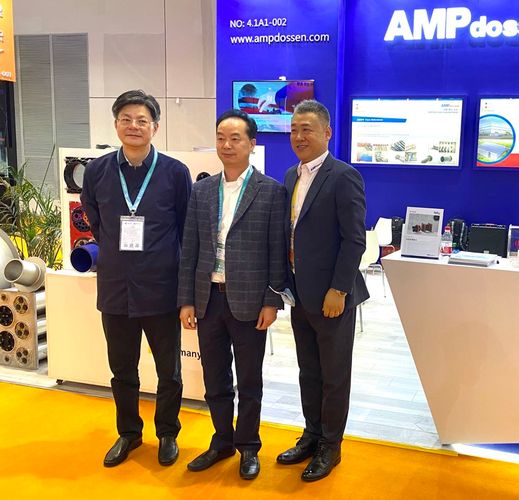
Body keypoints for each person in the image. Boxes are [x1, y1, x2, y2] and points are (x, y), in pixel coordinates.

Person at [81, 89, 192, 467]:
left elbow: (185, 228)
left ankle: (167, 433)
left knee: (169, 371)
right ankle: (129, 433)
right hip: (115, 288)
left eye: (142, 120)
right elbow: (96, 221)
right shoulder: (96, 171)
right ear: (116, 124)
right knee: (122, 369)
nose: (134, 126)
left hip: (162, 288)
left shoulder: (175, 173)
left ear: (155, 127)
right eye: (126, 119)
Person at [178, 109, 287, 480]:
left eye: (235, 138)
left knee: (250, 380)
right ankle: (222, 440)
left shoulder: (271, 191)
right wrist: (187, 299)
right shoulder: (202, 190)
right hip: (208, 299)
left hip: (250, 301)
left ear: (252, 144)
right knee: (215, 378)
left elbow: (277, 251)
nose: (226, 145)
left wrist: (272, 300)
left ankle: (249, 446)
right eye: (221, 138)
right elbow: (190, 249)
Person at [276, 100, 368, 482]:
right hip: (300, 294)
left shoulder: (343, 176)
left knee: (334, 375)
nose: (299, 136)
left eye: (307, 129)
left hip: (333, 298)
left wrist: (338, 289)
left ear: (327, 133)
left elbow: (354, 239)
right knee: (309, 372)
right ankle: (311, 435)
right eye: (294, 129)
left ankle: (331, 445)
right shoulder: (290, 176)